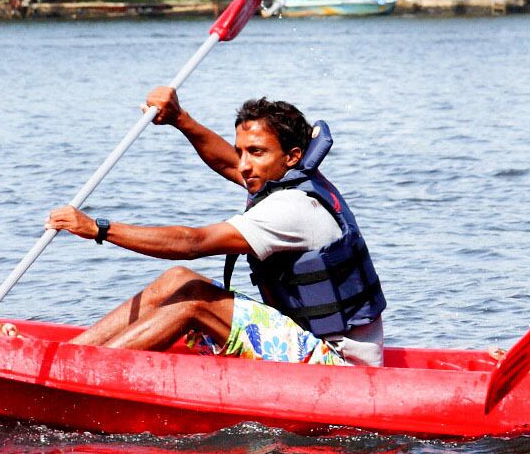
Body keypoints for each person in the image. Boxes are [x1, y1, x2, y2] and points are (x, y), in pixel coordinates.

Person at [40, 91, 388, 366]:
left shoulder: (293, 207)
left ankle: (88, 372)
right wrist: (180, 119)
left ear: (292, 156)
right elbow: (226, 161)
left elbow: (194, 241)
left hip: (337, 366)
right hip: (305, 341)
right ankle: (69, 357)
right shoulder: (287, 179)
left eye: (256, 152)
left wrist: (98, 228)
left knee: (193, 302)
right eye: (242, 152)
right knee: (178, 279)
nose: (244, 165)